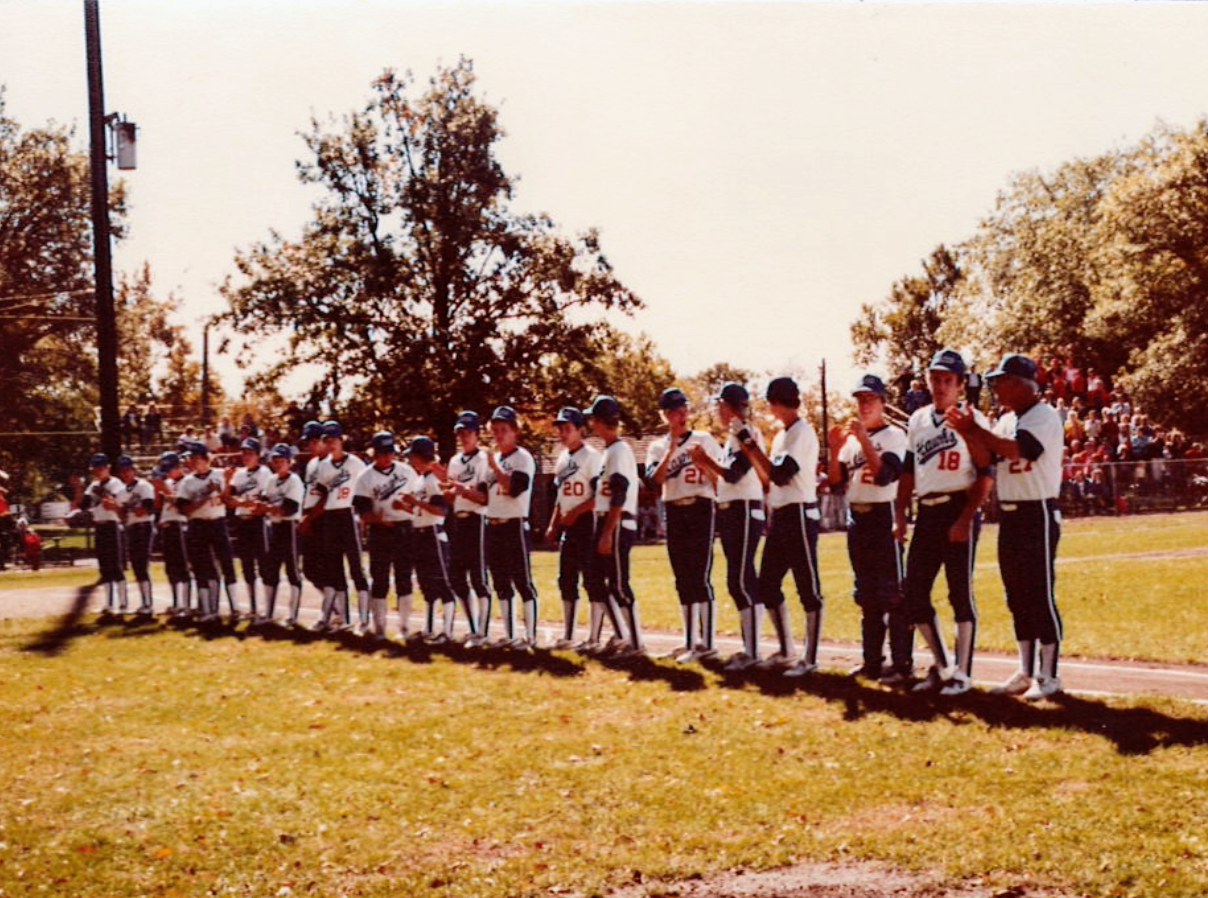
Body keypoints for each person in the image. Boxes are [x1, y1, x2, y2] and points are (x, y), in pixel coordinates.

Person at [947, 354, 1066, 700]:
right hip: (1011, 515)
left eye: (1002, 380)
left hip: (1037, 511)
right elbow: (988, 459)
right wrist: (967, 434)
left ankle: (1050, 675)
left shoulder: (1043, 415)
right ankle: (1026, 670)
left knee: (1039, 592)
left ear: (1022, 383)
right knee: (1015, 594)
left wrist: (975, 430)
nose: (996, 387)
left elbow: (1019, 450)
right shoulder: (1006, 419)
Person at [894, 349, 994, 695]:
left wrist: (966, 518)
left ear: (960, 384)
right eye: (935, 379)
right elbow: (908, 471)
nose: (939, 386)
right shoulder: (918, 419)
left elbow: (985, 473)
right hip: (928, 512)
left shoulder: (973, 418)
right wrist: (899, 514)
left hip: (958, 506)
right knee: (914, 592)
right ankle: (942, 665)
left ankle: (963, 673)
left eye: (947, 380)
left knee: (959, 592)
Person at [827, 375, 910, 680]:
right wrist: (835, 449)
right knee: (866, 593)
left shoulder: (894, 436)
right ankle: (872, 661)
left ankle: (901, 664)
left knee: (892, 593)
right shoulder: (850, 442)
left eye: (870, 399)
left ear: (882, 402)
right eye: (860, 399)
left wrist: (863, 439)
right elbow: (836, 483)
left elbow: (885, 475)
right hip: (857, 516)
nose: (864, 405)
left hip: (882, 515)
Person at [741, 376, 823, 676]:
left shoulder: (801, 432)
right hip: (781, 511)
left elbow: (781, 475)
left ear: (777, 403)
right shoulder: (781, 436)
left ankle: (810, 657)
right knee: (767, 584)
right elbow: (768, 477)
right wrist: (750, 451)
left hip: (799, 512)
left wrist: (751, 447)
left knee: (807, 586)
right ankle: (787, 649)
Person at [685, 382, 766, 671]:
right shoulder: (732, 437)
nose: (718, 411)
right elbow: (724, 479)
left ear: (732, 407)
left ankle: (753, 650)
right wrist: (704, 464)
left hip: (744, 508)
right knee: (737, 578)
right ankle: (750, 647)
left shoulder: (746, 433)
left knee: (741, 578)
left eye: (721, 405)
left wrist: (705, 460)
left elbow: (734, 474)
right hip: (732, 508)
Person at [645, 387, 722, 662]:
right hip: (674, 509)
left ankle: (708, 643)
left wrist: (706, 465)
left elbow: (720, 480)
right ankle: (690, 641)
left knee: (700, 574)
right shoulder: (657, 446)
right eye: (675, 411)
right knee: (682, 577)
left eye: (684, 409)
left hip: (700, 506)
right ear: (665, 415)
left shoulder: (703, 439)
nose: (681, 415)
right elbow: (654, 480)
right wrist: (671, 450)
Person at [583, 396, 641, 656]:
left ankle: (636, 643)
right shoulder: (610, 450)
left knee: (618, 583)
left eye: (593, 418)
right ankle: (621, 635)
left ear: (600, 421)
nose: (591, 423)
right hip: (606, 521)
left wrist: (607, 532)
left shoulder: (619, 450)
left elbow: (620, 492)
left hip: (616, 521)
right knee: (594, 581)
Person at [545, 407, 603, 649]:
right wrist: (553, 524)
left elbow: (600, 495)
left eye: (568, 428)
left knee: (592, 580)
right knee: (566, 579)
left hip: (587, 522)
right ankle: (569, 635)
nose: (563, 433)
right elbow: (561, 496)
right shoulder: (563, 457)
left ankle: (594, 637)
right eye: (560, 428)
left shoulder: (591, 456)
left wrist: (576, 512)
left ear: (581, 429)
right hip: (569, 525)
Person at [431, 411, 490, 645]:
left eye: (468, 432)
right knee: (456, 577)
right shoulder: (456, 461)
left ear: (477, 434)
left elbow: (483, 497)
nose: (464, 437)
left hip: (478, 520)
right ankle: (473, 626)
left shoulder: (484, 459)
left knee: (478, 578)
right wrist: (445, 489)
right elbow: (452, 498)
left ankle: (482, 632)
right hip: (459, 520)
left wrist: (460, 488)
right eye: (461, 433)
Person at [484, 406, 539, 647]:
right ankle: (509, 634)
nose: (498, 435)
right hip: (493, 523)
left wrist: (495, 468)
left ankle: (530, 636)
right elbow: (484, 495)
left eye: (503, 430)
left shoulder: (522, 458)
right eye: (495, 431)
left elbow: (515, 489)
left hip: (514, 523)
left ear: (514, 431)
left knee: (522, 581)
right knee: (501, 582)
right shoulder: (494, 459)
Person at [353, 432, 416, 638]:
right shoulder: (366, 477)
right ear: (374, 453)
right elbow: (362, 511)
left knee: (403, 578)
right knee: (379, 579)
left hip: (404, 527)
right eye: (382, 453)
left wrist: (406, 507)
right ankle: (379, 628)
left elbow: (418, 499)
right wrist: (377, 519)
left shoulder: (407, 471)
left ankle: (404, 627)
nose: (387, 457)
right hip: (380, 531)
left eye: (390, 453)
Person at [310, 421, 369, 631]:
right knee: (333, 569)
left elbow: (364, 491)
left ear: (341, 439)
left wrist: (363, 518)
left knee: (356, 568)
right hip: (330, 517)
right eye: (327, 440)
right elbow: (323, 492)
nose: (331, 443)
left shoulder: (355, 463)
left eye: (334, 439)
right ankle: (342, 618)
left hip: (348, 514)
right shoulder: (324, 465)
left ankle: (364, 620)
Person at [399, 437, 458, 641]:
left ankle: (447, 631)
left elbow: (440, 511)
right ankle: (429, 628)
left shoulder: (434, 479)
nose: (410, 460)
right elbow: (422, 508)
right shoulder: (420, 479)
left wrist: (414, 501)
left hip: (433, 533)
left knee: (441, 583)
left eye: (412, 456)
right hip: (421, 532)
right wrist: (407, 506)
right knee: (426, 584)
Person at [176, 443, 240, 622]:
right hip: (198, 524)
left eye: (196, 457)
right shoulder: (187, 482)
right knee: (202, 567)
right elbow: (184, 508)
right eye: (191, 458)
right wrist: (205, 496)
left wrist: (227, 482)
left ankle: (235, 607)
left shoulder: (219, 474)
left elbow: (228, 499)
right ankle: (208, 608)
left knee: (227, 563)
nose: (193, 461)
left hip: (217, 522)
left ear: (205, 458)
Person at [256, 443, 305, 626]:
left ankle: (293, 615)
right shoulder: (271, 480)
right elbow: (264, 500)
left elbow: (288, 509)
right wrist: (263, 506)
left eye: (282, 461)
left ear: (289, 462)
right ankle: (269, 612)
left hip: (289, 526)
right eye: (275, 461)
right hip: (275, 527)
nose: (278, 464)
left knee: (292, 569)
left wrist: (267, 507)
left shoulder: (294, 481)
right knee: (271, 569)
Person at [72, 454, 128, 613]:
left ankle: (123, 602)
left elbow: (117, 502)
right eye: (95, 468)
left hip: (112, 525)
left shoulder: (115, 483)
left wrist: (102, 491)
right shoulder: (93, 485)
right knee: (105, 567)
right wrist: (79, 488)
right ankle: (110, 603)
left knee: (116, 565)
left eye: (100, 468)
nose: (97, 471)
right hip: (100, 526)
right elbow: (84, 505)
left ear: (107, 467)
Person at [225, 438, 272, 622]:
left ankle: (267, 609)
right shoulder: (239, 474)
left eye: (250, 453)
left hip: (258, 521)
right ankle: (253, 607)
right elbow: (229, 499)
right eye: (243, 453)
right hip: (242, 521)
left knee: (263, 565)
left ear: (258, 455)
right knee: (247, 566)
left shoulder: (264, 472)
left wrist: (242, 503)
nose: (246, 456)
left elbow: (262, 500)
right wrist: (227, 481)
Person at [152, 451, 193, 615]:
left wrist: (166, 491)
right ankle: (176, 602)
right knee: (170, 567)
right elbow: (158, 506)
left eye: (170, 469)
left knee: (183, 565)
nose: (167, 473)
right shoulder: (168, 481)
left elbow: (182, 503)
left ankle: (186, 604)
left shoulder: (186, 482)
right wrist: (158, 491)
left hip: (180, 524)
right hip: (167, 524)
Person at [296, 421, 331, 618]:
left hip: (323, 519)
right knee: (310, 569)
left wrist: (308, 519)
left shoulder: (329, 463)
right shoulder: (312, 463)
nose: (309, 446)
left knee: (325, 568)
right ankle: (334, 609)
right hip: (311, 517)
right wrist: (304, 516)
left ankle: (335, 612)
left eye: (312, 441)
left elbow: (328, 498)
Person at [115, 455, 157, 615]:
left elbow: (146, 509)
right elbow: (122, 516)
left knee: (142, 564)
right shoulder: (121, 492)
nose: (125, 473)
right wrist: (116, 509)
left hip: (144, 526)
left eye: (128, 470)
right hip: (131, 527)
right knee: (136, 565)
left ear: (133, 470)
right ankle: (144, 602)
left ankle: (148, 603)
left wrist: (126, 509)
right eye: (123, 471)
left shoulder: (144, 486)